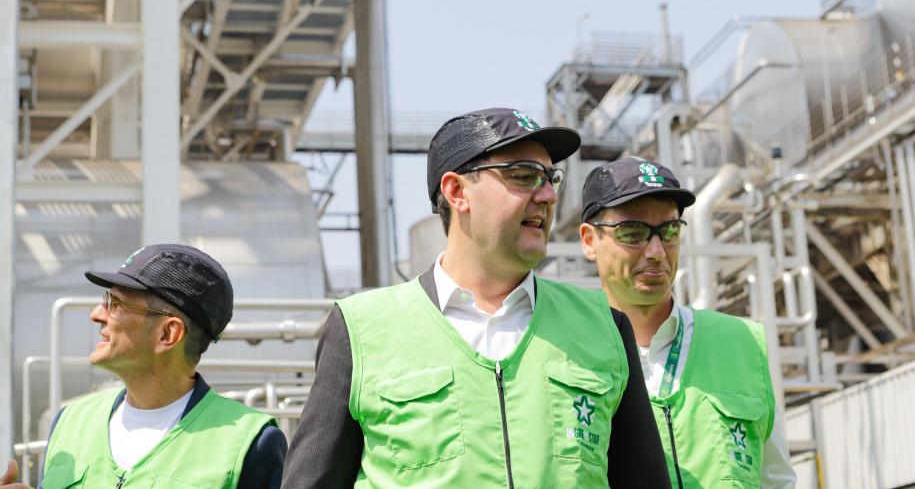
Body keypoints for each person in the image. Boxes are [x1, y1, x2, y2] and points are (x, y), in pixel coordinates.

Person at [282, 108, 670, 488]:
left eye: (551, 178)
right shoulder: (361, 329)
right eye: (524, 176)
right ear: (456, 191)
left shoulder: (603, 325)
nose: (549, 195)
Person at [578, 157, 797, 488]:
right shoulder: (565, 352)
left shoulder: (742, 342)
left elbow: (776, 480)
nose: (656, 251)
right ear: (589, 240)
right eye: (633, 232)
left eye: (668, 231)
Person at [2, 244, 287, 489]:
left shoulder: (251, 442)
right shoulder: (69, 422)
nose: (96, 315)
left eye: (116, 303)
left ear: (168, 334)